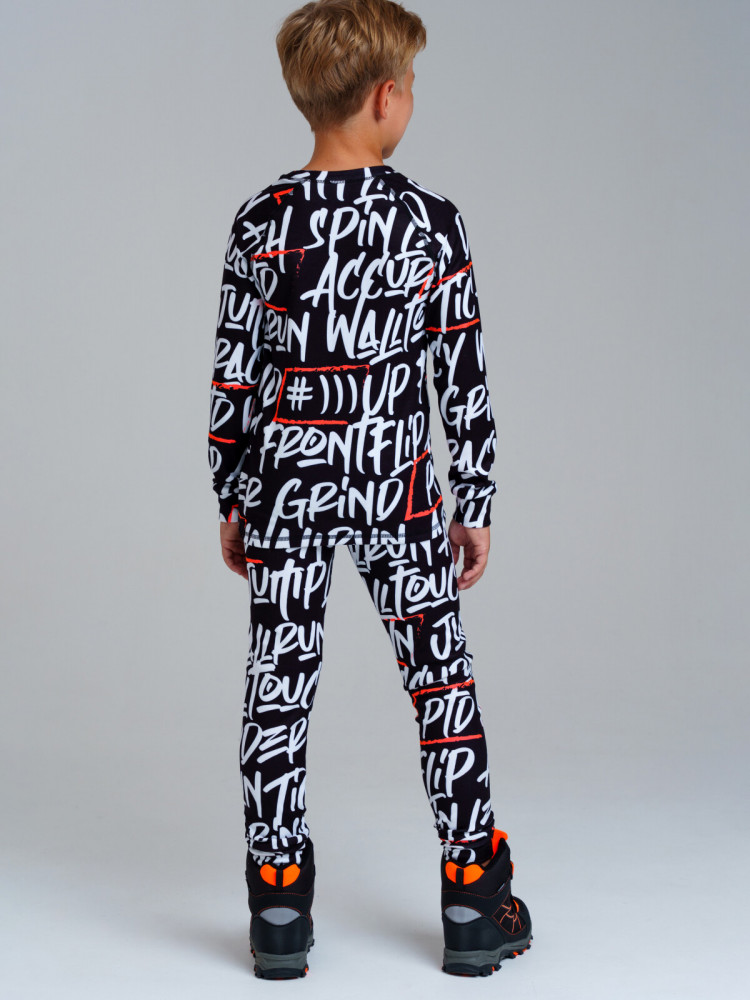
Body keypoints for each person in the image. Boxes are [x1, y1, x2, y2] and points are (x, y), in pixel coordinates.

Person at [207, 0, 531, 979]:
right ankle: (473, 895)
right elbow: (461, 379)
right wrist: (474, 501)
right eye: (413, 85)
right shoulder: (432, 223)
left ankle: (276, 902)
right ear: (387, 97)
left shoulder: (261, 221)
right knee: (439, 678)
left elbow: (237, 374)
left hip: (288, 482)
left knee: (278, 684)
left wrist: (234, 492)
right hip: (399, 484)